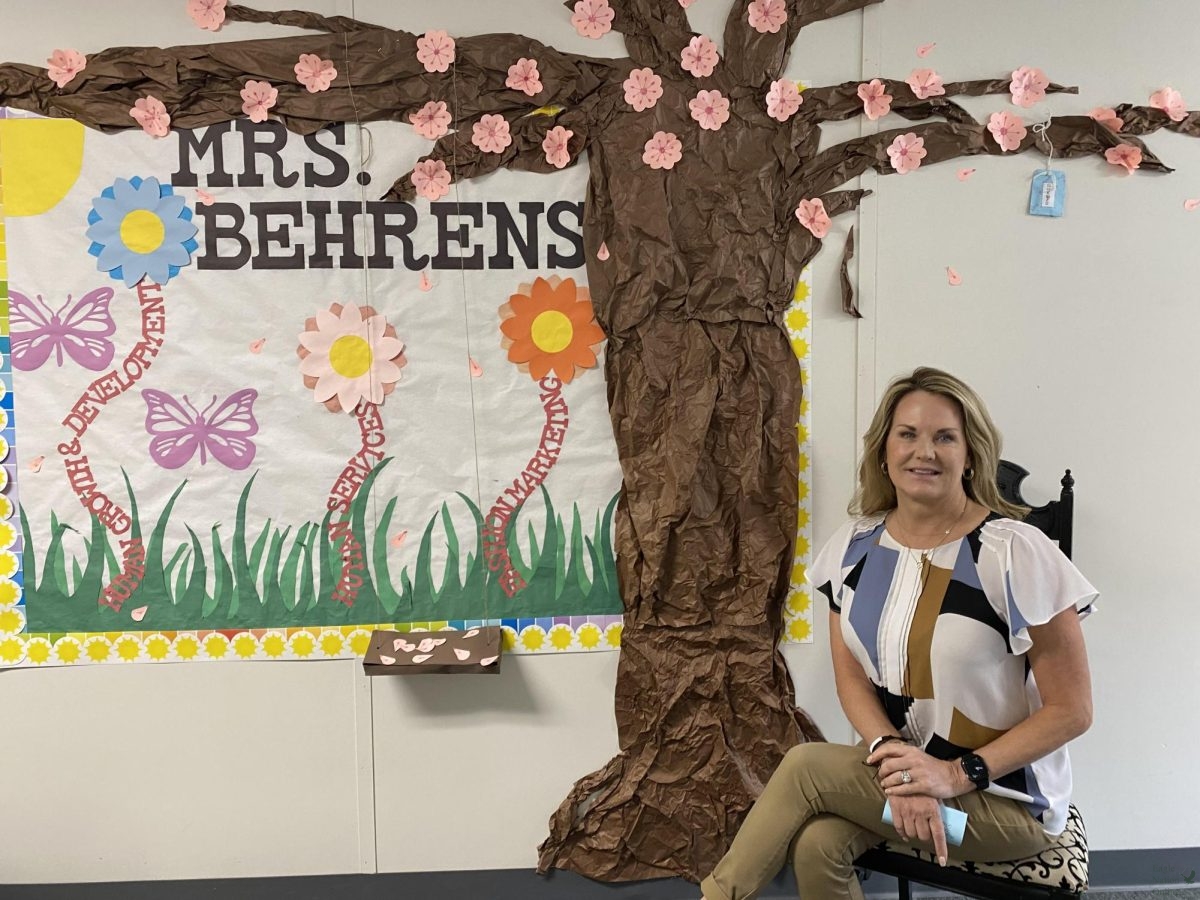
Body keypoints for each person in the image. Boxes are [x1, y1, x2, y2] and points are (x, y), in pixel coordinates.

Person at [700, 366, 1096, 900]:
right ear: (884, 451)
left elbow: (1072, 711)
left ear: (971, 452)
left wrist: (954, 776)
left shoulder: (1013, 553)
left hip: (1001, 808)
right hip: (900, 788)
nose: (923, 451)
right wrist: (899, 767)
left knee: (805, 768)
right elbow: (851, 680)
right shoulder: (855, 548)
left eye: (944, 437)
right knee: (818, 844)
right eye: (907, 434)